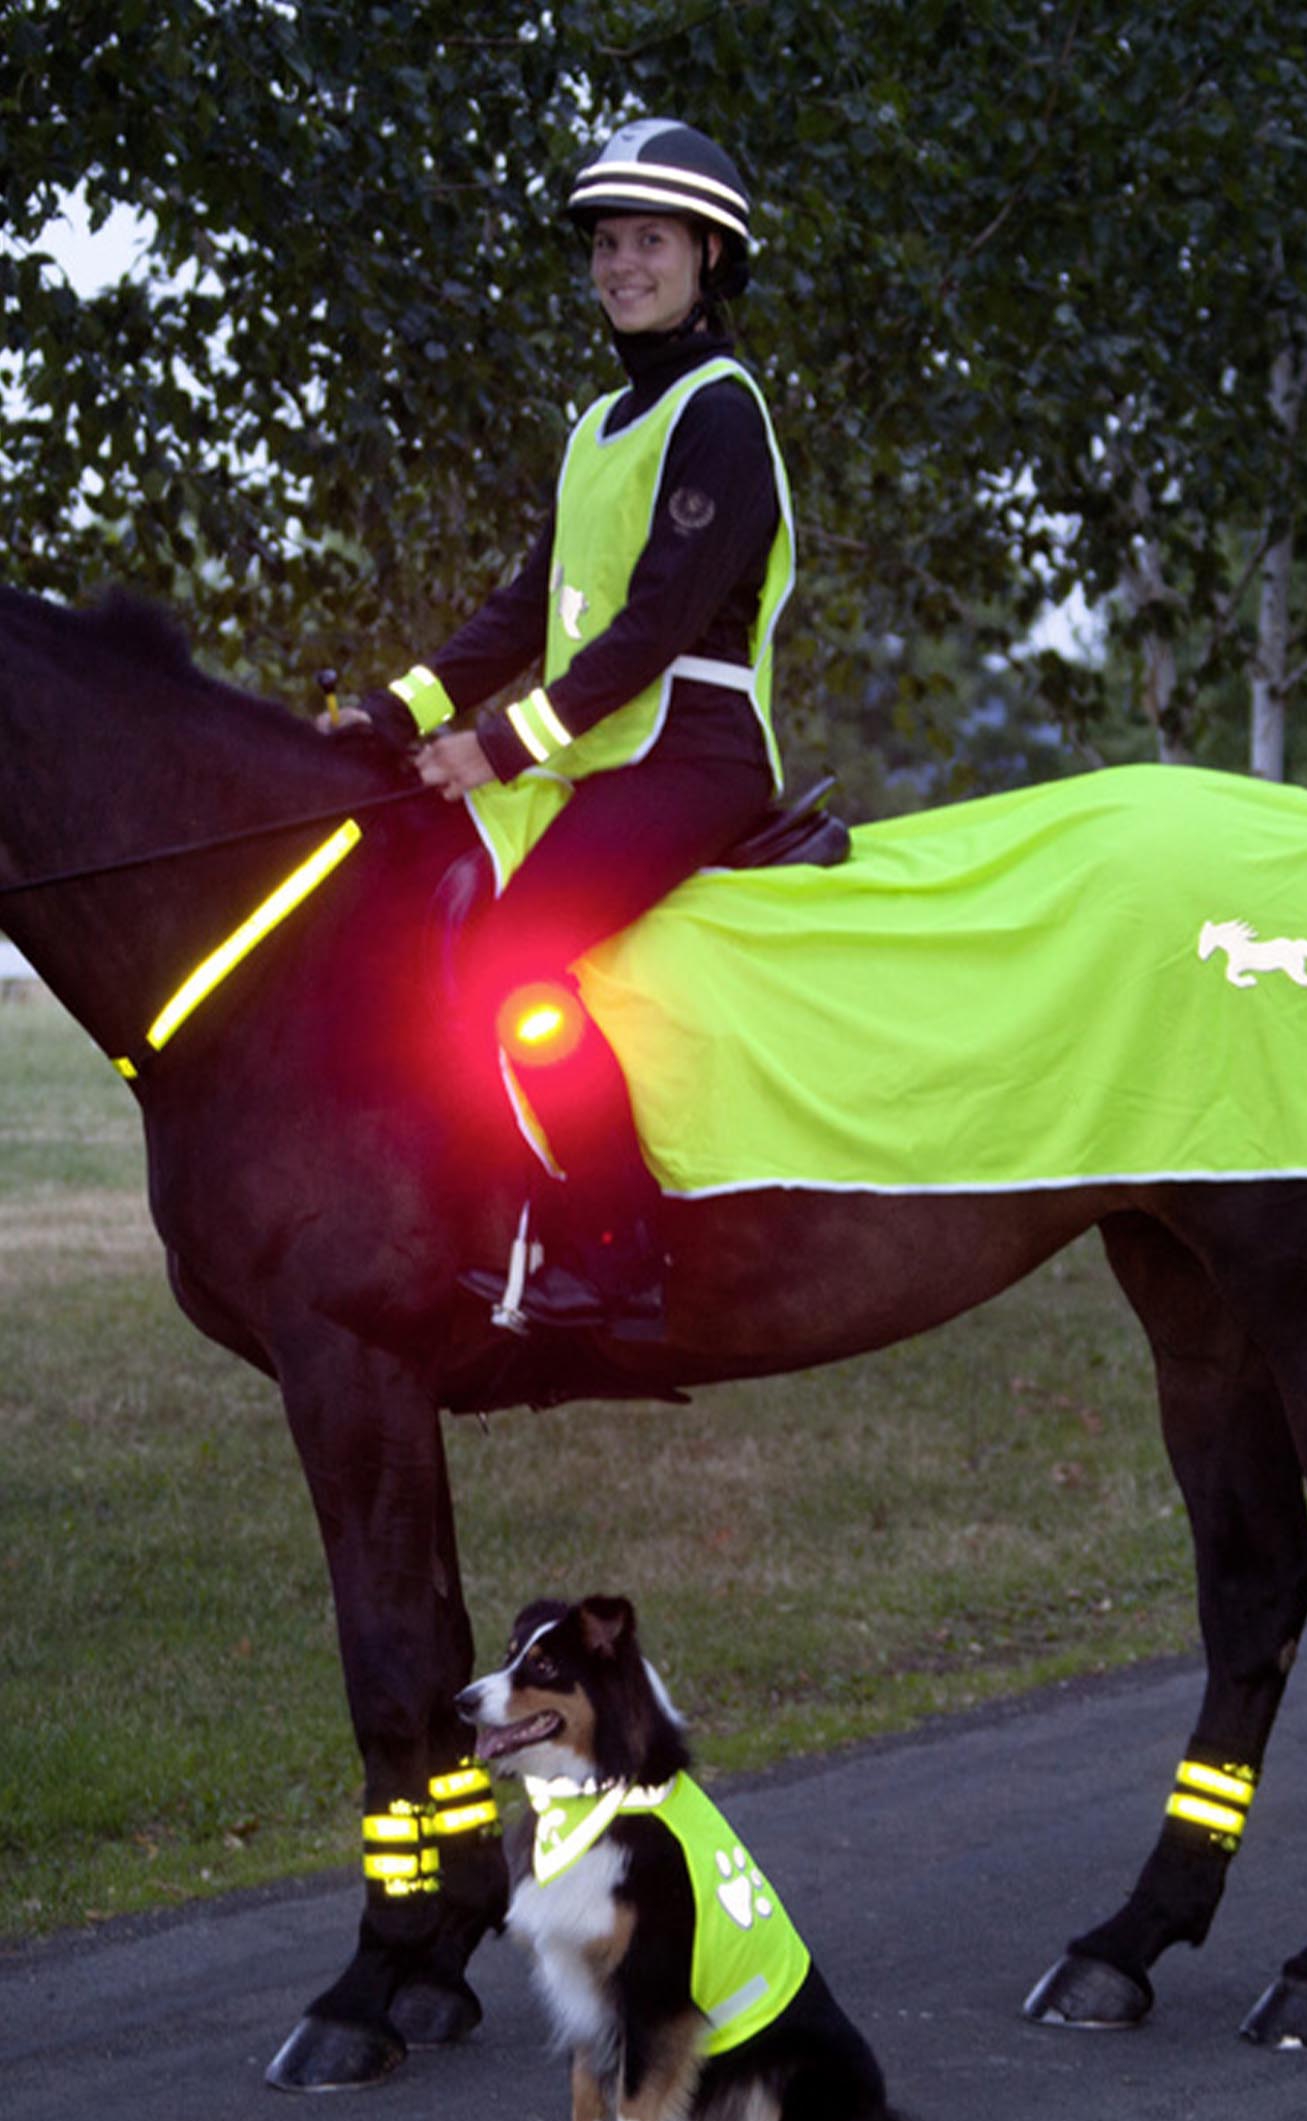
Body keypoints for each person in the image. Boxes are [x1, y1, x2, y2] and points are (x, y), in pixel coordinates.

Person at [341, 119, 799, 1341]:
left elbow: (653, 628)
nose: (621, 265)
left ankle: (621, 1248)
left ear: (709, 256)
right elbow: (523, 611)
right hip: (605, 756)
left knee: (511, 959)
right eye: (605, 244)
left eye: (649, 241)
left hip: (696, 760)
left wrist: (495, 748)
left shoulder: (720, 412)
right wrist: (393, 713)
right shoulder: (598, 426)